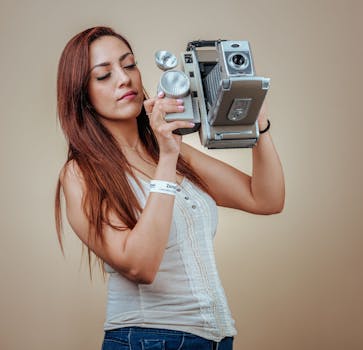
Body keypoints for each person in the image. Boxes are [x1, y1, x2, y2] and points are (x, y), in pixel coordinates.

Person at [55, 26, 285, 350]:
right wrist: (167, 158)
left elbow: (265, 198)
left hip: (217, 339)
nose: (124, 79)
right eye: (104, 75)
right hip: (148, 339)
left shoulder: (168, 151)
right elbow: (141, 265)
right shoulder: (80, 173)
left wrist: (259, 125)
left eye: (129, 64)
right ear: (83, 95)